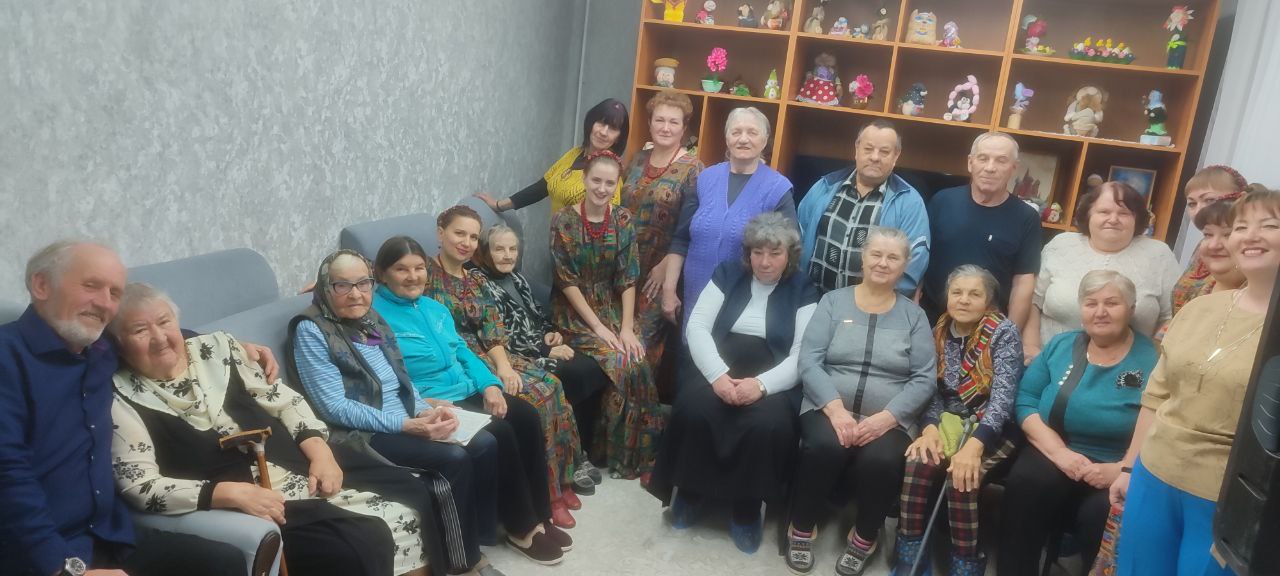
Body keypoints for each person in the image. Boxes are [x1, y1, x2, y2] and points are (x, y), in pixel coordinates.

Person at [108, 283, 434, 576]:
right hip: (247, 499)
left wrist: (321, 453)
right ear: (119, 345)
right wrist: (226, 493)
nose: (160, 338)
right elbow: (140, 485)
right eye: (140, 330)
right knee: (358, 540)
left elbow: (285, 401)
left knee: (413, 494)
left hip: (297, 462)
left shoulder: (218, 348)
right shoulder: (118, 396)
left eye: (165, 322)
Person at [288, 250, 566, 567]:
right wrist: (406, 425)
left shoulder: (370, 320)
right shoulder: (311, 330)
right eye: (343, 285)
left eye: (363, 284)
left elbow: (399, 377)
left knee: (486, 441)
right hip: (360, 433)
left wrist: (423, 410)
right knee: (454, 459)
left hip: (405, 415)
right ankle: (464, 563)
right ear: (326, 287)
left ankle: (484, 533)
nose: (356, 294)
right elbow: (333, 406)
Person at [0, 241, 245, 576]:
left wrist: (230, 347)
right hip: (33, 556)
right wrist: (62, 568)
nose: (105, 303)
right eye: (91, 286)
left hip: (108, 538)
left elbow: (155, 337)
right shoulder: (7, 359)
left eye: (114, 293)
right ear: (41, 285)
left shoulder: (100, 350)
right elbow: (7, 475)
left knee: (224, 562)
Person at [1110, 189, 1279, 576]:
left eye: (1269, 225)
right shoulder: (1199, 308)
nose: (1250, 236)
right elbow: (1157, 395)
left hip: (1230, 497)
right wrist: (1129, 467)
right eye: (1241, 227)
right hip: (1154, 476)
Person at [648, 212, 819, 554]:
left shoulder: (803, 288)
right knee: (693, 410)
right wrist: (716, 376)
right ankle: (691, 493)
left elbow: (802, 354)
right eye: (758, 252)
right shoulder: (727, 274)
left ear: (790, 255)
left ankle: (746, 509)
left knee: (767, 425)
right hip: (719, 362)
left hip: (773, 373)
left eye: (775, 253)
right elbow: (697, 326)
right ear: (748, 253)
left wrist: (761, 386)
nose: (765, 262)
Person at [422, 206, 588, 528]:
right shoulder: (424, 274)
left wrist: (505, 367)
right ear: (440, 232)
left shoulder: (476, 279)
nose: (466, 242)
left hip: (493, 354)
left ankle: (560, 481)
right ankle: (547, 495)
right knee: (536, 398)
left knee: (552, 386)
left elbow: (493, 330)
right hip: (460, 361)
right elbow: (384, 277)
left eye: (473, 237)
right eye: (459, 233)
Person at [785, 227, 935, 576]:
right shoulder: (833, 302)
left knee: (882, 461)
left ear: (905, 265)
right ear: (863, 258)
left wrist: (888, 417)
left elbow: (924, 378)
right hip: (826, 406)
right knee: (825, 447)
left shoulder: (915, 317)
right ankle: (801, 526)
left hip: (890, 416)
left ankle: (866, 535)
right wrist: (836, 410)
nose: (883, 263)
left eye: (893, 257)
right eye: (876, 254)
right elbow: (810, 361)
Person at [997, 270, 1158, 575]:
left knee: (1104, 514)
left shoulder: (1152, 358)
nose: (1100, 312)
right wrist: (1059, 452)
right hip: (1054, 448)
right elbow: (1026, 400)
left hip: (1118, 462)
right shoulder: (1060, 346)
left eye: (1112, 303)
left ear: (1131, 309)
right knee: (1027, 484)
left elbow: (1159, 421)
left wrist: (1122, 468)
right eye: (1091, 303)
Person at [893, 265, 1023, 576]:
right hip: (947, 421)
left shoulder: (1003, 332)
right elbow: (932, 390)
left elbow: (1003, 398)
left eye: (974, 294)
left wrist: (974, 448)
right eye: (957, 292)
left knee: (962, 476)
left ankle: (966, 562)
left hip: (994, 427)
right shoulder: (937, 330)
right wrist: (929, 429)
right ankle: (911, 553)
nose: (964, 300)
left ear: (988, 301)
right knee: (919, 461)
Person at [551, 150, 665, 481]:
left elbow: (628, 277)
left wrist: (627, 327)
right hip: (575, 312)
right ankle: (612, 452)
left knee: (636, 357)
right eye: (596, 180)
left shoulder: (623, 220)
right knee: (618, 360)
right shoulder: (563, 221)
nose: (602, 188)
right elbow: (566, 282)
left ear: (617, 185)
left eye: (609, 183)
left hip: (613, 306)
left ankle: (636, 456)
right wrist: (599, 328)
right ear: (585, 179)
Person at [469, 227, 609, 483]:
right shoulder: (479, 283)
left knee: (591, 367)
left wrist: (550, 333)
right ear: (485, 252)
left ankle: (583, 448)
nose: (507, 255)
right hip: (513, 353)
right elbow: (499, 333)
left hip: (538, 343)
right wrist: (545, 349)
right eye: (499, 249)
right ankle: (572, 457)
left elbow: (537, 315)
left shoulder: (516, 278)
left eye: (512, 249)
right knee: (574, 374)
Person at [661, 106, 797, 326]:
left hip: (746, 304)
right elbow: (681, 239)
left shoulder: (777, 189)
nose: (743, 139)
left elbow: (788, 251)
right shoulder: (705, 179)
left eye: (752, 132)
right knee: (692, 343)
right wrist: (669, 290)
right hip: (694, 295)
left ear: (764, 141)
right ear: (726, 138)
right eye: (736, 132)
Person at [1025, 182, 1180, 361]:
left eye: (1123, 213)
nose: (1113, 219)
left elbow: (1174, 317)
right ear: (1088, 214)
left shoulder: (1159, 255)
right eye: (1104, 212)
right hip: (1048, 361)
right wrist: (1032, 348)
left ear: (1136, 218)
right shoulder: (1061, 245)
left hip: (1129, 369)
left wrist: (1152, 358)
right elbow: (1033, 302)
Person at [621, 90, 704, 398]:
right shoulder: (637, 159)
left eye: (673, 122)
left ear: (684, 128)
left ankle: (643, 422)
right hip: (624, 272)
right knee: (614, 346)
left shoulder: (694, 168)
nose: (665, 127)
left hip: (659, 276)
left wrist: (666, 266)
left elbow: (692, 228)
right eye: (659, 120)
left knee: (638, 354)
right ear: (650, 123)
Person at [922, 132, 1040, 331]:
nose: (990, 168)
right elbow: (920, 258)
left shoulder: (1026, 217)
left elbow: (1023, 284)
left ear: (1014, 168)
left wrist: (1008, 336)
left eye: (1001, 161)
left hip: (988, 331)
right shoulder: (942, 201)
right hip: (931, 323)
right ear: (970, 162)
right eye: (983, 158)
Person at [797, 119, 930, 295]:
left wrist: (879, 301)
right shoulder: (824, 186)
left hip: (871, 307)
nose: (875, 157)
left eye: (884, 152)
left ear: (896, 156)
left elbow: (914, 262)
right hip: (813, 300)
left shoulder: (910, 202)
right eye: (868, 149)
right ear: (857, 149)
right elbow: (797, 237)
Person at [476, 98, 630, 216]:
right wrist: (498, 205)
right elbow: (542, 187)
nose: (603, 132)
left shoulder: (610, 174)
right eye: (601, 123)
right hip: (557, 243)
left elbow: (606, 225)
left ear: (618, 137)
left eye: (612, 128)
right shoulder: (575, 153)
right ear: (591, 123)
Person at [1170, 165, 1248, 314]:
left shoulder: (1248, 251)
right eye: (1192, 203)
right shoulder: (1204, 245)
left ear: (1241, 199)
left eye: (1209, 200)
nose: (1199, 210)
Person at [1187, 198, 1247, 298]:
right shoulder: (1198, 290)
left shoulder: (1266, 298)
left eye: (1227, 235)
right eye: (1208, 234)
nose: (1213, 245)